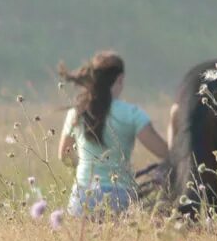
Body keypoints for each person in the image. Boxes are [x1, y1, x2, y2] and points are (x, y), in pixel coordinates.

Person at [58, 51, 168, 216]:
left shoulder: (77, 112)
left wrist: (84, 165)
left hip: (82, 194)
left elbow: (64, 155)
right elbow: (162, 151)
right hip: (120, 195)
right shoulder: (132, 114)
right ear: (120, 79)